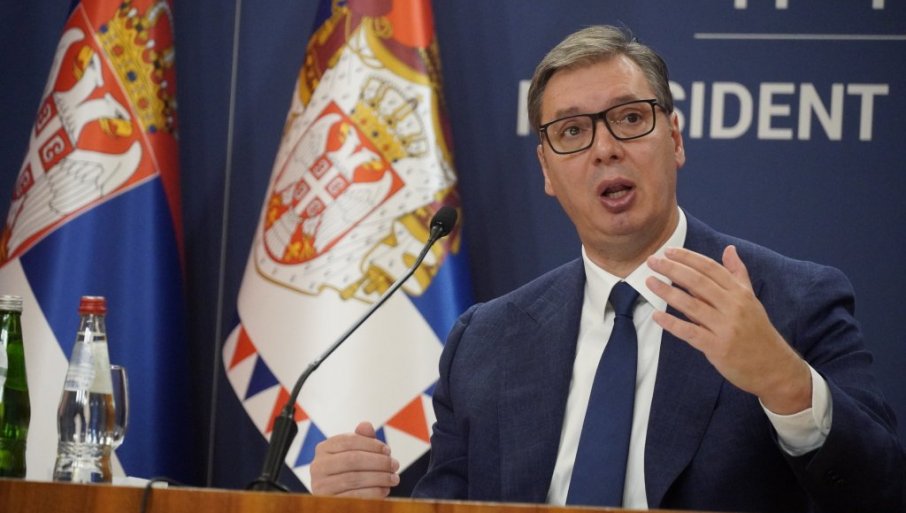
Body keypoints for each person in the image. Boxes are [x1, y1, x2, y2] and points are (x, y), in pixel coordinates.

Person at [309, 25, 905, 512]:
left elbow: (882, 493)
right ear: (546, 170)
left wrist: (785, 383)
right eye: (572, 131)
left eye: (629, 118)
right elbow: (450, 506)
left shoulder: (791, 302)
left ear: (675, 138)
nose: (604, 148)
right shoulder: (485, 341)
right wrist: (362, 507)